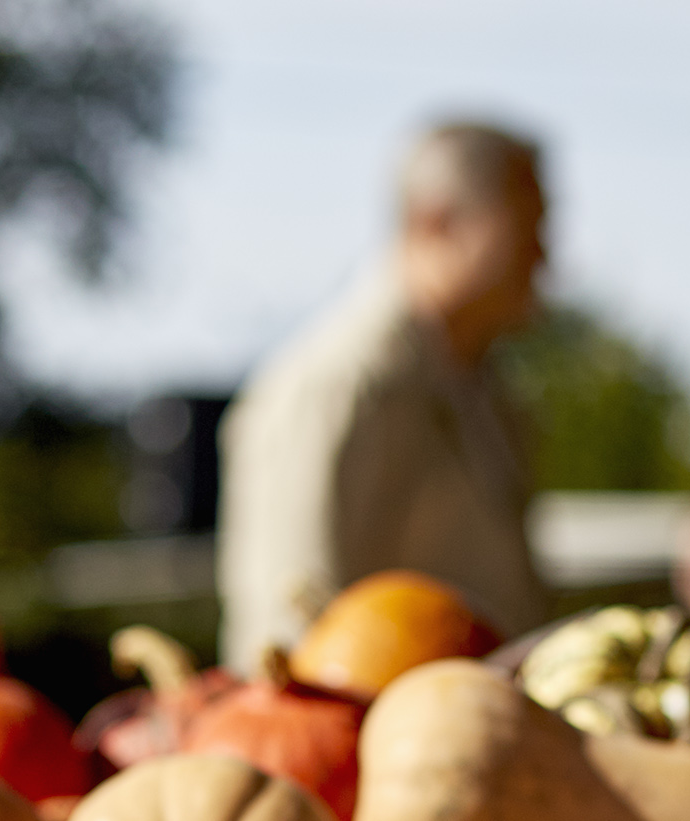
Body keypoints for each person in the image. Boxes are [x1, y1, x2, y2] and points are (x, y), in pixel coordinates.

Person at [216, 119, 551, 669]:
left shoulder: (490, 392)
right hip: (377, 750)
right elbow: (287, 640)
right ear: (437, 222)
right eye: (527, 228)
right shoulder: (334, 385)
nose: (544, 259)